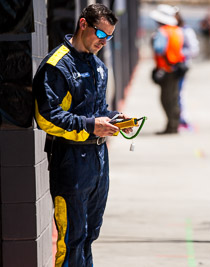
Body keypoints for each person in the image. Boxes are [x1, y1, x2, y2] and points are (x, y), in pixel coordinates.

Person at [33, 4, 133, 266]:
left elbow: (96, 111)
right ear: (83, 24)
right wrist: (90, 125)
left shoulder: (99, 67)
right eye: (101, 34)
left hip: (98, 162)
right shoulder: (57, 66)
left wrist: (115, 119)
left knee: (89, 236)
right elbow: (46, 117)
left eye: (109, 37)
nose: (104, 41)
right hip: (71, 162)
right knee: (72, 240)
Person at [150, 4, 185, 134]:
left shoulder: (162, 32)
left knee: (166, 99)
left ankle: (172, 126)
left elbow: (159, 49)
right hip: (176, 67)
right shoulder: (177, 30)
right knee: (174, 98)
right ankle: (174, 124)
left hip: (166, 69)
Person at [175, 10, 199, 131]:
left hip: (181, 66)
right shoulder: (172, 30)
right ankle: (179, 118)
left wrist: (178, 54)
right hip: (172, 67)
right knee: (175, 94)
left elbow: (194, 49)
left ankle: (183, 120)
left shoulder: (186, 31)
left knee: (180, 93)